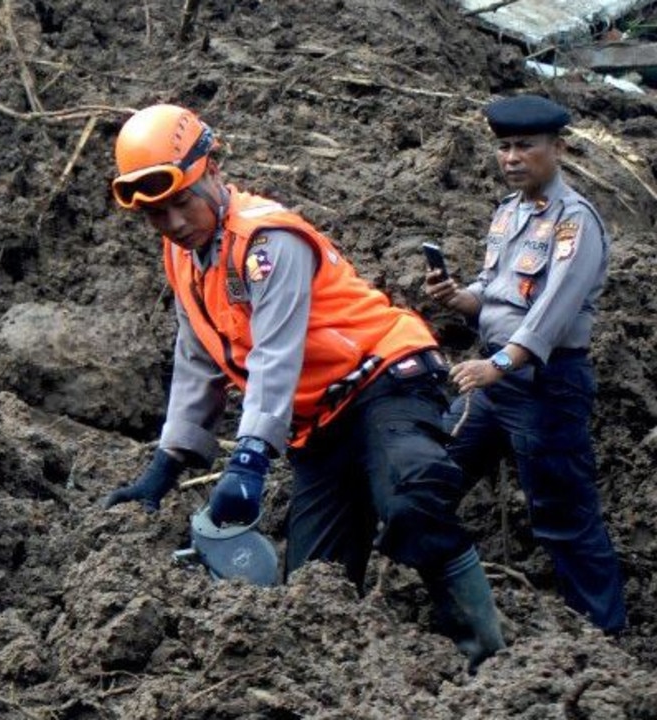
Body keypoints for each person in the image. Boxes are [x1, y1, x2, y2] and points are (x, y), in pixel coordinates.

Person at [100, 103, 505, 671]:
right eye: (154, 214)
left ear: (212, 169)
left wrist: (248, 460)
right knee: (314, 588)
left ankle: (489, 660)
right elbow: (197, 358)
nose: (170, 223)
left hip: (384, 379)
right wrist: (163, 467)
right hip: (320, 426)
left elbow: (275, 355)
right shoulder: (184, 256)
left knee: (412, 499)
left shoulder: (267, 240)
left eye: (180, 202)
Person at [423, 95, 626, 635]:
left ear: (557, 150)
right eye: (504, 147)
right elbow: (495, 295)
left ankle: (603, 636)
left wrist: (498, 365)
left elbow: (551, 315)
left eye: (525, 146)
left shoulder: (574, 222)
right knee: (435, 477)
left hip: (544, 385)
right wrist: (455, 296)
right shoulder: (509, 212)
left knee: (562, 518)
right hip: (494, 383)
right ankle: (437, 600)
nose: (512, 157)